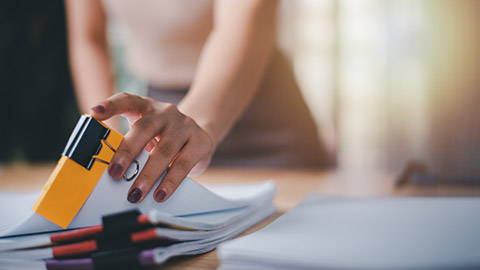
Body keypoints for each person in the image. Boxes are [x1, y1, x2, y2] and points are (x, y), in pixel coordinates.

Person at [66, 0, 334, 205]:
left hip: (261, 117)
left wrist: (197, 124)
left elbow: (248, 19)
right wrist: (110, 142)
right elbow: (88, 38)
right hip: (163, 118)